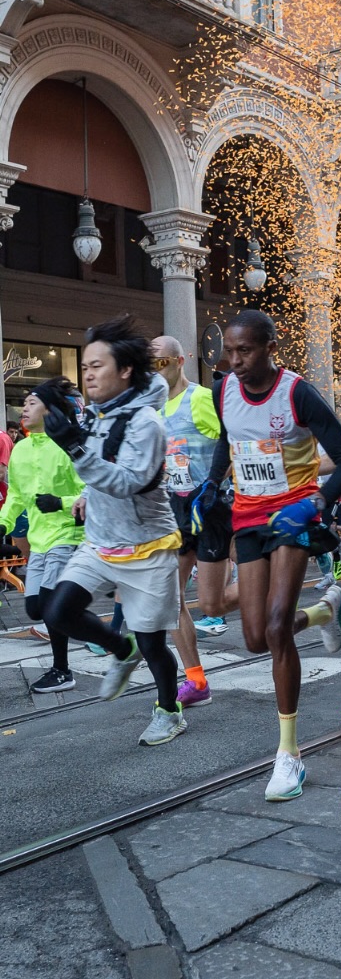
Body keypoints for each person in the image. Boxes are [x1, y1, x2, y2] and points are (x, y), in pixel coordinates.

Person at [196, 310, 341, 799]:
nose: (235, 360)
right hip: (248, 520)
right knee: (252, 638)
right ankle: (324, 610)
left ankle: (289, 754)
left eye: (244, 351)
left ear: (271, 346)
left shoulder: (297, 393)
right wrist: (212, 481)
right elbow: (228, 441)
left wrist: (317, 502)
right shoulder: (224, 390)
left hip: (291, 517)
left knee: (273, 627)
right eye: (230, 351)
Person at [40, 316, 188, 746]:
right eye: (84, 366)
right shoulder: (96, 414)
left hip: (148, 547)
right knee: (58, 612)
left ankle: (169, 709)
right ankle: (120, 651)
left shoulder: (147, 423)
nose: (87, 374)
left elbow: (128, 480)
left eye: (97, 366)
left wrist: (75, 447)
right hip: (100, 542)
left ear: (125, 370)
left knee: (154, 642)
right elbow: (94, 466)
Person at [152, 335, 238, 707]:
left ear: (178, 361)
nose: (155, 371)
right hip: (177, 510)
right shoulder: (154, 409)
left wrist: (214, 484)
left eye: (160, 363)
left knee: (213, 605)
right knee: (168, 597)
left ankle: (263, 591)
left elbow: (232, 443)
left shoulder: (200, 398)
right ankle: (196, 680)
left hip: (212, 509)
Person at [0, 379, 85, 692]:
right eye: (24, 403)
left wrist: (59, 503)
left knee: (50, 605)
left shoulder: (67, 445)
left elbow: (86, 491)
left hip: (68, 534)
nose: (24, 408)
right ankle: (81, 615)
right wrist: (3, 524)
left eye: (32, 403)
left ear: (50, 409)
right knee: (36, 609)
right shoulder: (21, 450)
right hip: (39, 540)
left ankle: (62, 670)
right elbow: (16, 497)